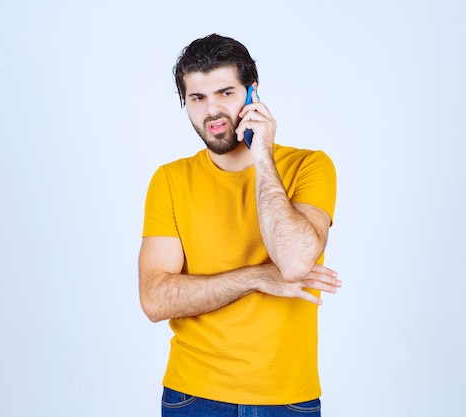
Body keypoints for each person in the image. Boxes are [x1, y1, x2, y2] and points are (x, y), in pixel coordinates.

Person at [138, 33, 340, 417]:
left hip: (288, 397)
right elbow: (155, 299)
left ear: (253, 94)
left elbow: (295, 262)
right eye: (197, 98)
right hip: (193, 396)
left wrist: (261, 153)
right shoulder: (169, 180)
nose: (212, 111)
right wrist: (256, 277)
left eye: (226, 93)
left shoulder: (310, 167)